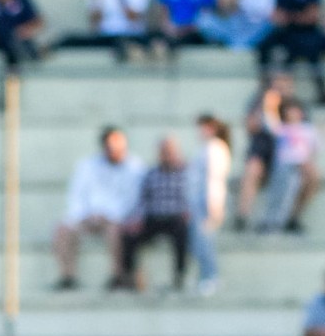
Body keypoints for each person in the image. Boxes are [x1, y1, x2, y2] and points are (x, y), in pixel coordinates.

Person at [52, 127, 145, 292]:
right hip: (87, 217)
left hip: (116, 219)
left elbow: (133, 200)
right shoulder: (87, 165)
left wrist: (108, 215)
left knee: (115, 232)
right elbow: (76, 195)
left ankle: (117, 276)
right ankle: (68, 277)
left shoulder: (136, 167)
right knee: (62, 229)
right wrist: (86, 215)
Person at [120, 137, 192, 291]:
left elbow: (191, 196)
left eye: (170, 152)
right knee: (129, 236)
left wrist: (189, 211)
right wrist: (137, 219)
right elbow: (143, 200)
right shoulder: (151, 173)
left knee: (182, 233)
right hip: (154, 218)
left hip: (176, 218)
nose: (167, 155)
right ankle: (129, 278)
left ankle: (179, 277)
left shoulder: (185, 172)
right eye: (163, 152)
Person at [258, 0, 325, 105]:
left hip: (309, 32)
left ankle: (323, 92)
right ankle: (266, 88)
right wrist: (295, 17)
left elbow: (312, 15)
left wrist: (291, 17)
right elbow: (277, 15)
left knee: (312, 52)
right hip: (288, 32)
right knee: (264, 46)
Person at [233, 75, 295, 229]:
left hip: (286, 151)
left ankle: (290, 219)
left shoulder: (293, 104)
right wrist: (268, 108)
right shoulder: (259, 101)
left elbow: (294, 131)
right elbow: (251, 127)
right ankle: (242, 216)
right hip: (262, 148)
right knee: (252, 169)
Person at [256, 97, 321, 234]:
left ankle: (291, 218)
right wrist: (270, 103)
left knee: (294, 192)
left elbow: (314, 148)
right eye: (289, 111)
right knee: (279, 193)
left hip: (301, 165)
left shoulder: (308, 129)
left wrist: (308, 162)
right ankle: (271, 220)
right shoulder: (282, 128)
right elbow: (269, 121)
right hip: (283, 165)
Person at [188, 115, 232, 296]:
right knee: (199, 243)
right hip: (198, 201)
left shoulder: (215, 148)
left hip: (207, 201)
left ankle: (211, 277)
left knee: (206, 242)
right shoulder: (207, 147)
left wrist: (214, 204)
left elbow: (214, 177)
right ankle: (204, 276)